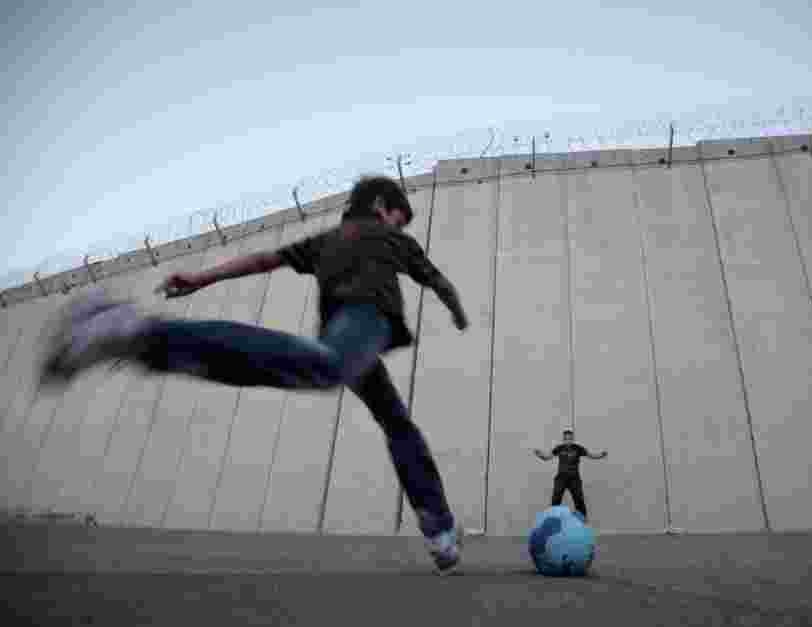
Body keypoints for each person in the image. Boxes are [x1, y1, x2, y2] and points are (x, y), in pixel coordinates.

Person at [38, 175, 470, 575]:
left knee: (393, 417)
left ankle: (440, 528)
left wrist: (201, 278)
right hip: (364, 327)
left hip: (345, 333)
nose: (401, 226)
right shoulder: (390, 237)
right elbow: (435, 279)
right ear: (381, 205)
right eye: (400, 216)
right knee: (329, 370)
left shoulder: (329, 238)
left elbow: (265, 260)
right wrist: (457, 310)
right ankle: (141, 333)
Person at [531, 429, 607, 522]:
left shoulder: (578, 448)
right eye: (566, 439)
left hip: (574, 479)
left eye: (570, 439)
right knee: (556, 497)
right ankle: (552, 518)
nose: (568, 441)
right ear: (563, 439)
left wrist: (601, 455)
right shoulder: (559, 448)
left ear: (572, 439)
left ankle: (583, 518)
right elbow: (547, 457)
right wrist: (539, 454)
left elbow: (591, 455)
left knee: (579, 498)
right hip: (561, 478)